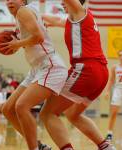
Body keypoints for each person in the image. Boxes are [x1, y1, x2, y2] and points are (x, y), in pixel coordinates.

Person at [40, 0, 116, 150]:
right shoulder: (74, 20)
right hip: (100, 73)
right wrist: (34, 16)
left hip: (86, 70)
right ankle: (106, 147)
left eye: (65, 1)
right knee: (72, 114)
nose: (62, 3)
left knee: (47, 113)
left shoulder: (80, 11)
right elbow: (55, 20)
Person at [1, 0, 68, 150]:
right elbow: (33, 40)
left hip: (50, 65)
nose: (9, 1)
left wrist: (17, 44)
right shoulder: (22, 16)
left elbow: (39, 37)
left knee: (21, 106)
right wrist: (17, 44)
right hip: (36, 68)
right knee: (8, 109)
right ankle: (39, 145)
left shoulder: (23, 11)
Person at [105, 50, 122, 141]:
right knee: (114, 112)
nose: (121, 57)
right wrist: (107, 91)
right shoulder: (115, 67)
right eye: (120, 55)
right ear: (118, 56)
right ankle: (109, 133)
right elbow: (111, 80)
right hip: (118, 90)